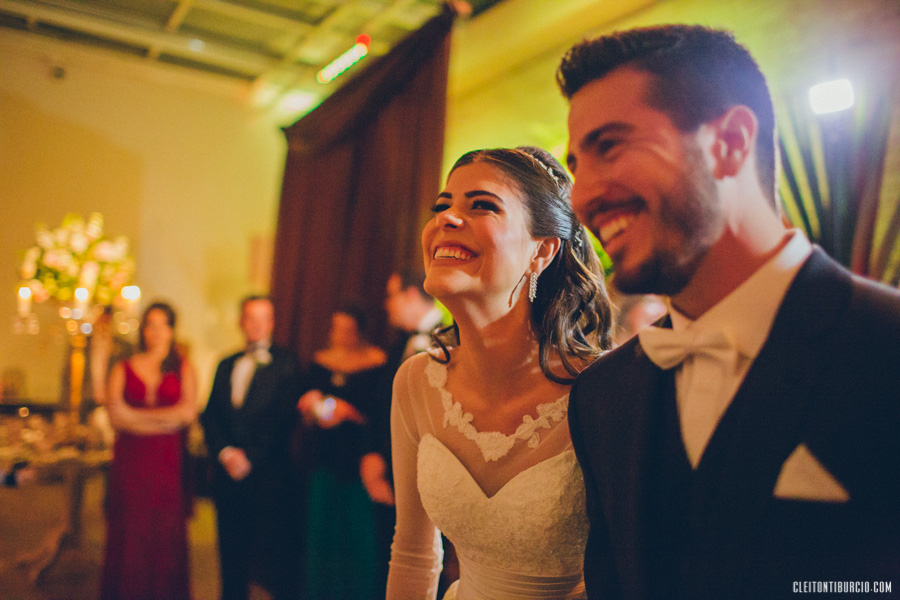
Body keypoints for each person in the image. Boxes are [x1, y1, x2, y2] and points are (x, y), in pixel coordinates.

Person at [559, 24, 900, 599]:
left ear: (731, 141)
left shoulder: (886, 347)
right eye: (575, 165)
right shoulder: (602, 397)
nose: (581, 195)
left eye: (609, 146)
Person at [386, 146, 613, 599]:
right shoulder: (415, 381)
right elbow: (413, 553)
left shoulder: (605, 389)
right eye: (442, 205)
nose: (447, 218)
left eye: (482, 205)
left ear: (542, 251)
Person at [200, 295, 303, 600]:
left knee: (274, 559)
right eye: (250, 317)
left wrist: (251, 457)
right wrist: (225, 453)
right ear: (241, 322)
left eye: (263, 318)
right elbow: (210, 415)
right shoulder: (225, 363)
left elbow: (284, 419)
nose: (256, 325)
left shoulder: (287, 363)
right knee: (230, 556)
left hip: (269, 478)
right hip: (227, 477)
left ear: (271, 323)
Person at [100, 301, 197, 600]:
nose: (155, 332)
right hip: (131, 461)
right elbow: (116, 416)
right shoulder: (123, 366)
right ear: (143, 330)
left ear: (171, 330)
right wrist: (164, 420)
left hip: (167, 462)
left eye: (162, 325)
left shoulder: (183, 367)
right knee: (131, 527)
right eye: (150, 325)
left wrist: (136, 418)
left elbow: (187, 414)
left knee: (164, 530)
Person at [297, 304, 387, 600]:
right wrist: (311, 408)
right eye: (336, 328)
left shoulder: (377, 364)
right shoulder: (320, 362)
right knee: (322, 534)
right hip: (324, 456)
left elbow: (380, 414)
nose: (340, 335)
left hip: (359, 459)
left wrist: (348, 412)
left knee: (356, 538)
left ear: (359, 331)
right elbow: (307, 410)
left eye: (347, 329)